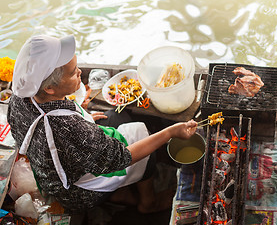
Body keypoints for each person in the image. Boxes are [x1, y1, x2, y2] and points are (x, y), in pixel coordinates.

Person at [7, 34, 198, 213]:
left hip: (51, 175)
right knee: (145, 142)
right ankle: (147, 203)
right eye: (74, 73)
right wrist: (170, 132)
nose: (80, 72)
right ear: (49, 88)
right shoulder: (71, 129)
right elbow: (123, 157)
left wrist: (85, 117)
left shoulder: (19, 98)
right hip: (78, 192)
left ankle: (121, 194)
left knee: (114, 117)